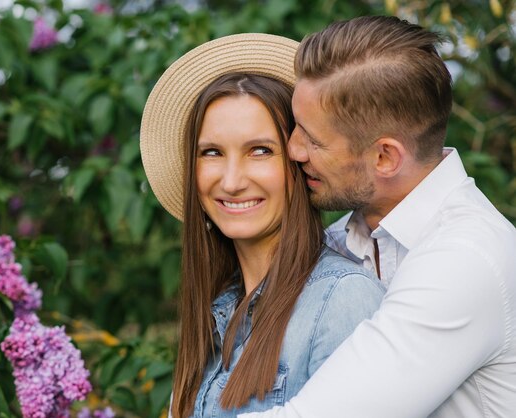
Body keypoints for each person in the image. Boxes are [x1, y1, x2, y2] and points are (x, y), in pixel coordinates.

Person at [240, 16, 516, 418]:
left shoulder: (465, 260)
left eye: (312, 139)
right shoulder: (341, 240)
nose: (294, 149)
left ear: (385, 157)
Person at [139, 34, 385, 418]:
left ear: (299, 159)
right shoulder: (220, 310)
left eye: (260, 151)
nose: (233, 180)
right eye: (212, 153)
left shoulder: (341, 301)